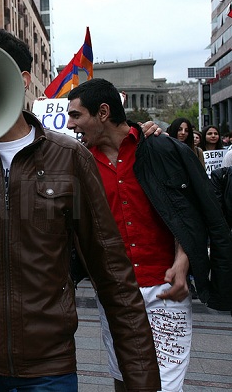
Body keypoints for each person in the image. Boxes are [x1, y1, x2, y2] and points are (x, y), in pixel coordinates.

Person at [0, 28, 160, 391]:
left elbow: (111, 269)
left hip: (49, 363)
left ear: (22, 80)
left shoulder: (68, 157)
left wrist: (140, 376)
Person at [66, 78, 232, 391]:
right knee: (125, 380)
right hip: (114, 294)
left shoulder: (162, 149)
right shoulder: (78, 163)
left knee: (163, 387)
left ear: (103, 112)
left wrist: (183, 261)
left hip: (166, 292)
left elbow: (192, 211)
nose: (70, 123)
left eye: (76, 115)